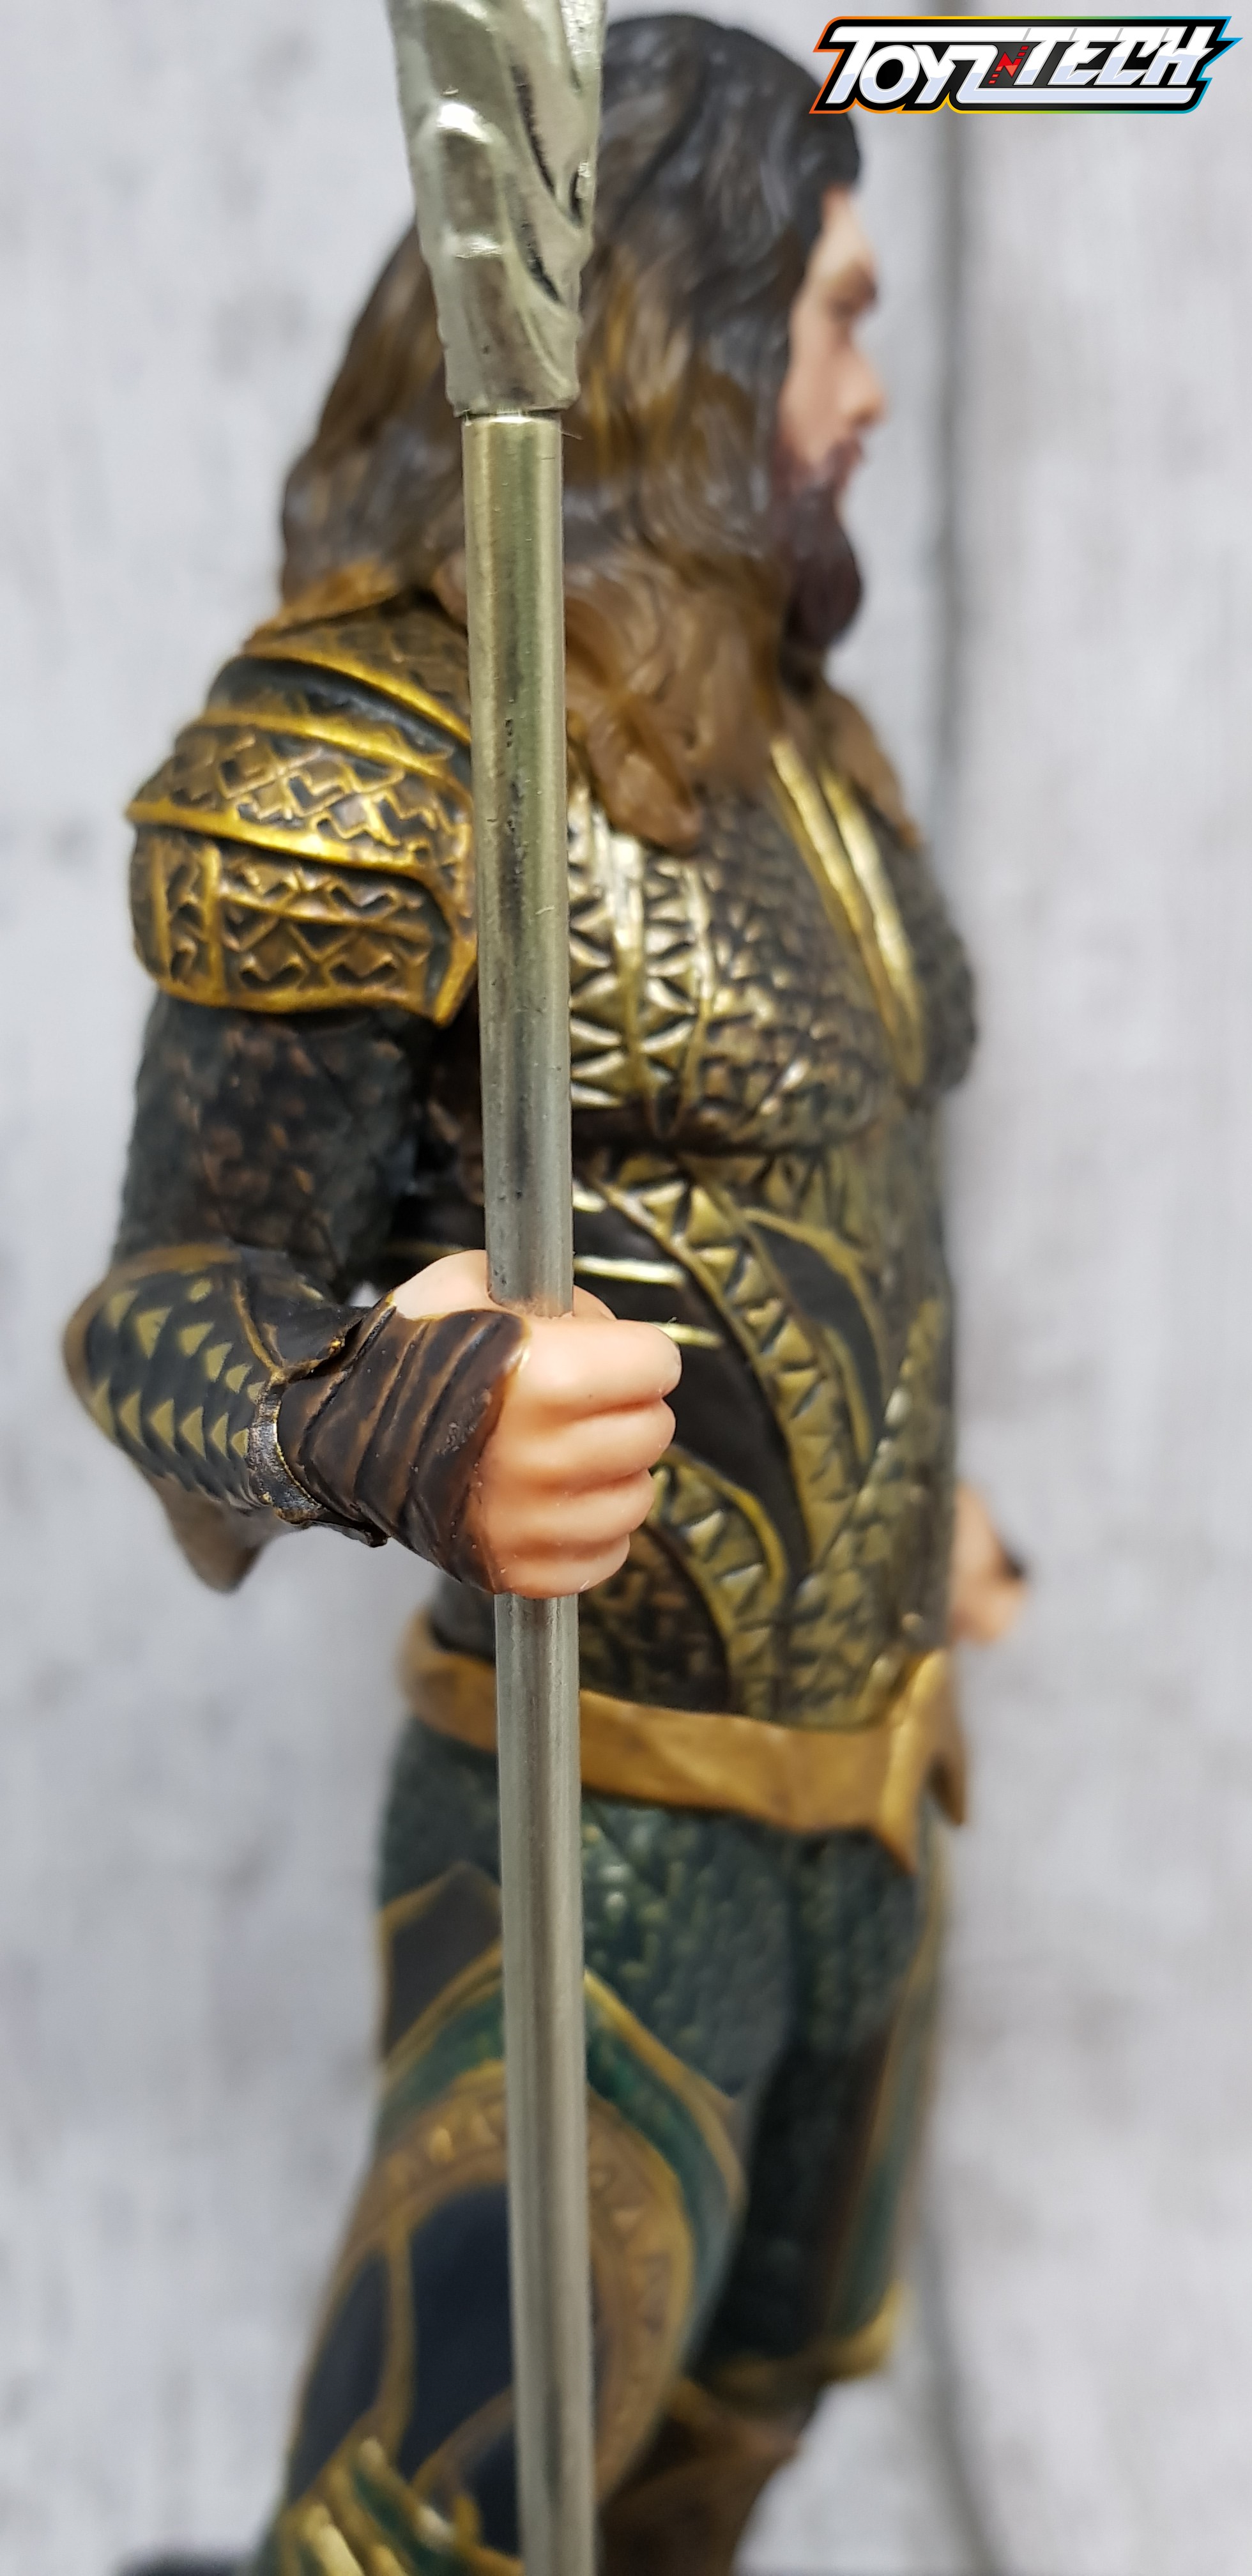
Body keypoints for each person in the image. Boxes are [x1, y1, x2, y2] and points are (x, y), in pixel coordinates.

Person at [67, 19, 1023, 2573]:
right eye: (835, 321)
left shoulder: (806, 756)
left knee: (740, 2422)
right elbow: (162, 1312)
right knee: (443, 2508)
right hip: (591, 1840)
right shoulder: (377, 750)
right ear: (686, 340)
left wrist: (913, 1513)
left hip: (872, 1798)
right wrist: (387, 1416)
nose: (871, 393)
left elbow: (847, 1211)